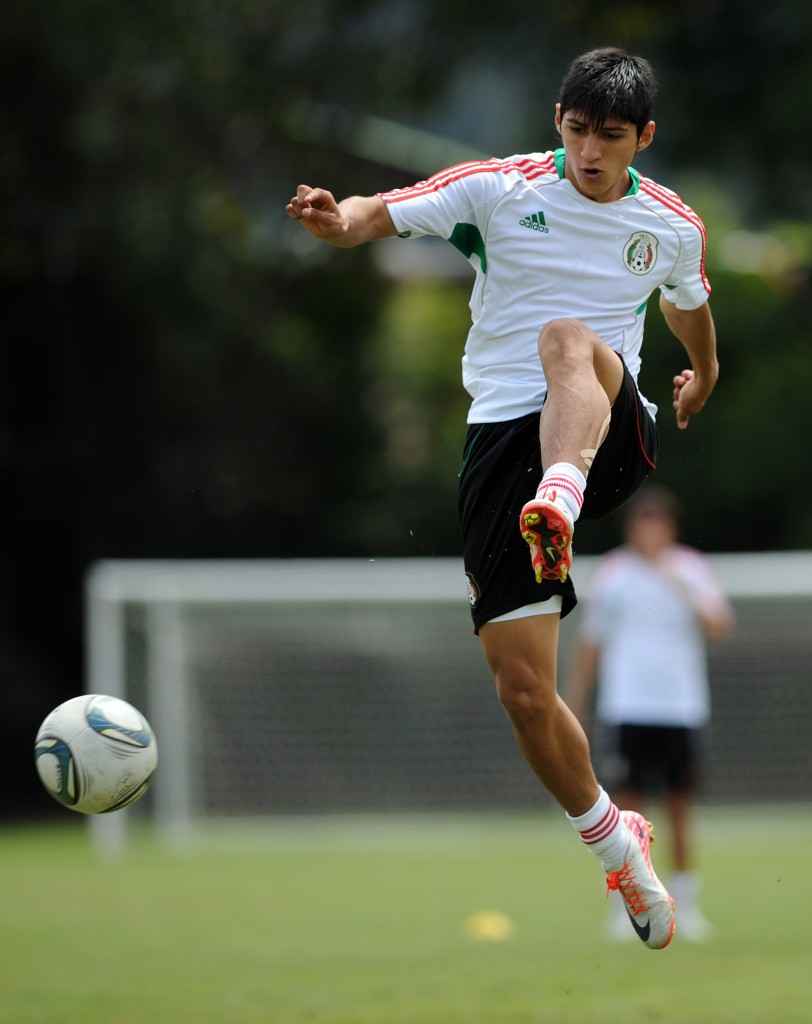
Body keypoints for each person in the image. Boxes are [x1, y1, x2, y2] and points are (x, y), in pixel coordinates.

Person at [286, 46, 720, 950]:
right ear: (556, 121)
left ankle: (561, 496)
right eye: (575, 130)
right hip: (501, 449)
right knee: (524, 691)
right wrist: (338, 221)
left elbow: (688, 304)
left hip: (609, 432)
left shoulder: (670, 222)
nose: (590, 151)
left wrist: (703, 373)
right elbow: (384, 212)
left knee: (568, 338)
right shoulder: (499, 187)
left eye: (610, 137)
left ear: (643, 137)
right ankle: (618, 845)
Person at [566, 486, 734, 941]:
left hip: (681, 707)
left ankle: (689, 904)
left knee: (680, 807)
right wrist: (576, 701)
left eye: (657, 523)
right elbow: (590, 642)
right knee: (626, 812)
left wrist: (672, 577)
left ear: (670, 528)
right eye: (642, 523)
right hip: (627, 706)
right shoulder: (612, 573)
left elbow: (719, 625)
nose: (649, 532)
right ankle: (628, 908)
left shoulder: (691, 569)